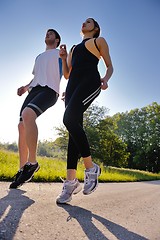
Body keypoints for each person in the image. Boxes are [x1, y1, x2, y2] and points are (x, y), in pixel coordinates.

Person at [56, 18, 113, 204]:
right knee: (72, 129)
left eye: (88, 22)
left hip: (90, 82)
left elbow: (109, 65)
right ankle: (71, 182)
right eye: (83, 21)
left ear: (95, 28)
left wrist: (105, 79)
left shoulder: (99, 41)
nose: (84, 23)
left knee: (69, 119)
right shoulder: (73, 48)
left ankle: (91, 168)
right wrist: (63, 58)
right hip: (72, 87)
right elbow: (67, 74)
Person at [10, 29, 62, 189]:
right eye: (46, 32)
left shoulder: (60, 53)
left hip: (50, 90)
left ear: (57, 40)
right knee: (21, 125)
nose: (48, 34)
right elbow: (37, 77)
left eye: (51, 33)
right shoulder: (39, 57)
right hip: (35, 90)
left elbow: (68, 71)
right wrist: (25, 88)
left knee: (28, 114)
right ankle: (22, 169)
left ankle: (33, 162)